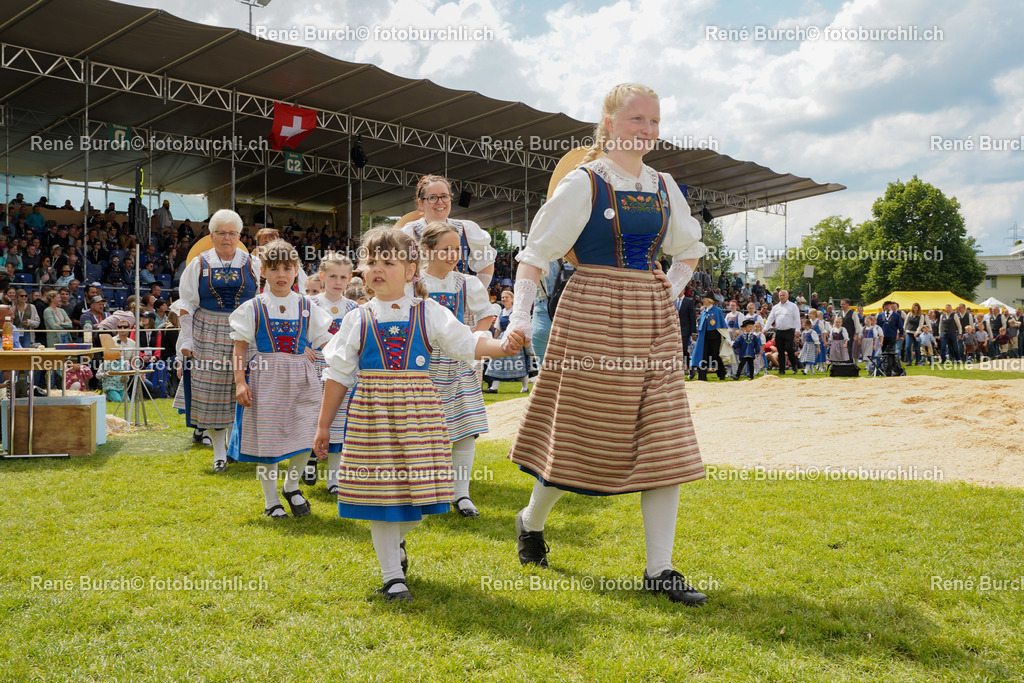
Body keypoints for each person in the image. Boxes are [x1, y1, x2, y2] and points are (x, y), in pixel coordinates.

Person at [501, 84, 708, 605]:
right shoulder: (584, 183)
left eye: (655, 121)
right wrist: (518, 319)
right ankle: (530, 521)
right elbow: (536, 254)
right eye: (637, 119)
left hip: (652, 320)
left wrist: (671, 288)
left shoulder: (665, 186)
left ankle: (659, 568)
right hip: (591, 310)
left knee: (665, 435)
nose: (648, 130)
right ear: (610, 123)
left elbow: (688, 251)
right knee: (578, 432)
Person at [313, 226, 523, 602]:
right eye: (372, 262)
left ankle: (397, 544)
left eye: (388, 262)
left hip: (420, 414)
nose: (378, 269)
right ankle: (393, 576)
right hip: (371, 416)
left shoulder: (429, 312)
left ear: (412, 270)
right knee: (381, 497)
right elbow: (338, 374)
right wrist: (324, 425)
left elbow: (466, 343)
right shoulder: (357, 319)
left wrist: (503, 347)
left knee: (419, 500)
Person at [227, 239, 332, 519]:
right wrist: (240, 381)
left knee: (308, 434)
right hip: (265, 380)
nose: (281, 275)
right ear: (263, 271)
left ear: (297, 270)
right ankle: (271, 500)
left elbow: (326, 342)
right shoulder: (254, 307)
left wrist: (350, 358)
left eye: (287, 268)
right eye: (274, 269)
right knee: (268, 443)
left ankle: (292, 485)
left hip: (303, 379)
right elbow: (239, 346)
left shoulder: (307, 307)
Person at [418, 221, 499, 517]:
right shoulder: (413, 283)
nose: (453, 255)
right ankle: (426, 490)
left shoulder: (467, 283)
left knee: (465, 430)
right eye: (445, 249)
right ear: (426, 250)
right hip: (422, 368)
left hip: (457, 365)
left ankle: (461, 493)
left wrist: (471, 341)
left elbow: (486, 315)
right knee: (423, 430)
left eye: (457, 249)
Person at [173, 209, 260, 471]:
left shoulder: (252, 263)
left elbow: (263, 298)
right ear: (211, 236)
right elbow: (187, 304)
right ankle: (219, 453)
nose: (226, 238)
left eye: (232, 233)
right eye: (221, 233)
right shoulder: (198, 263)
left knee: (246, 388)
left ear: (239, 236)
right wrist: (186, 341)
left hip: (246, 330)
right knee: (212, 393)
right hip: (207, 329)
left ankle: (237, 445)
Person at [302, 252, 359, 490]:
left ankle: (334, 479)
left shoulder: (354, 307)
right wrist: (302, 347)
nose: (338, 281)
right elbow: (298, 331)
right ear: (322, 276)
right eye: (333, 276)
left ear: (349, 279)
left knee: (339, 421)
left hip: (342, 370)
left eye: (343, 277)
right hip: (314, 367)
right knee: (313, 416)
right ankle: (308, 461)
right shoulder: (309, 303)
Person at [400, 174, 496, 290]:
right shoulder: (408, 233)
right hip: (421, 303)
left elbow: (486, 264)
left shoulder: (466, 229)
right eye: (432, 197)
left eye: (444, 196)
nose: (440, 202)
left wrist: (475, 293)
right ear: (421, 203)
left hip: (457, 304)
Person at [483, 287, 532, 393]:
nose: (504, 299)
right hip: (503, 339)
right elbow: (498, 329)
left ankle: (525, 387)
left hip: (515, 338)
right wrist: (494, 340)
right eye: (503, 297)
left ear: (512, 299)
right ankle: (494, 388)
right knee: (497, 361)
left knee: (520, 363)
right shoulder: (501, 312)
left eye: (507, 297)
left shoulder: (516, 311)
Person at [691, 292, 727, 381]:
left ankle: (721, 372)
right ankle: (702, 376)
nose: (703, 300)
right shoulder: (704, 311)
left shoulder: (717, 310)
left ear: (710, 300)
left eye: (705, 298)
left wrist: (725, 336)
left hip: (715, 337)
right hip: (704, 337)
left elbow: (722, 324)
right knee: (703, 356)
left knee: (715, 355)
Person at [764, 290, 801, 374]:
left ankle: (794, 365)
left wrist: (797, 330)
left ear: (787, 296)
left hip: (789, 330)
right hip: (779, 331)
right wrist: (765, 328)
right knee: (780, 351)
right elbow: (770, 318)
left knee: (788, 348)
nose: (781, 297)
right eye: (780, 295)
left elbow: (797, 319)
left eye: (783, 295)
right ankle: (781, 370)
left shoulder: (793, 306)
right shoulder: (776, 307)